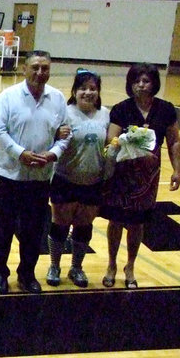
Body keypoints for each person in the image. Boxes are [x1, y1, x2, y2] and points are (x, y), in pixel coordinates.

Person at [0, 50, 70, 294]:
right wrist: (20, 153)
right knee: (2, 228)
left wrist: (53, 154)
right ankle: (0, 274)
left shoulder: (57, 98)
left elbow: (66, 133)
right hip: (9, 176)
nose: (40, 72)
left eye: (45, 68)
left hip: (40, 177)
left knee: (34, 230)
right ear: (24, 69)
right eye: (35, 67)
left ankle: (27, 274)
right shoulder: (8, 97)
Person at [100, 63, 180, 288]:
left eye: (146, 81)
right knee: (115, 220)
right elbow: (111, 140)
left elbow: (174, 141)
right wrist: (128, 146)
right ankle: (112, 264)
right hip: (123, 174)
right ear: (130, 84)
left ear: (154, 83)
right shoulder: (121, 109)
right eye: (136, 81)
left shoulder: (165, 109)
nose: (141, 86)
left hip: (148, 176)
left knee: (138, 223)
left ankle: (131, 265)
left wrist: (177, 170)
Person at [46, 69, 109, 288]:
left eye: (93, 88)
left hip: (93, 182)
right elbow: (51, 139)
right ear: (74, 91)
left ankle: (77, 267)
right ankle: (54, 265)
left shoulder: (105, 114)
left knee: (84, 226)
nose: (88, 92)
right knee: (60, 225)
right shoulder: (65, 113)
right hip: (66, 179)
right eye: (83, 88)